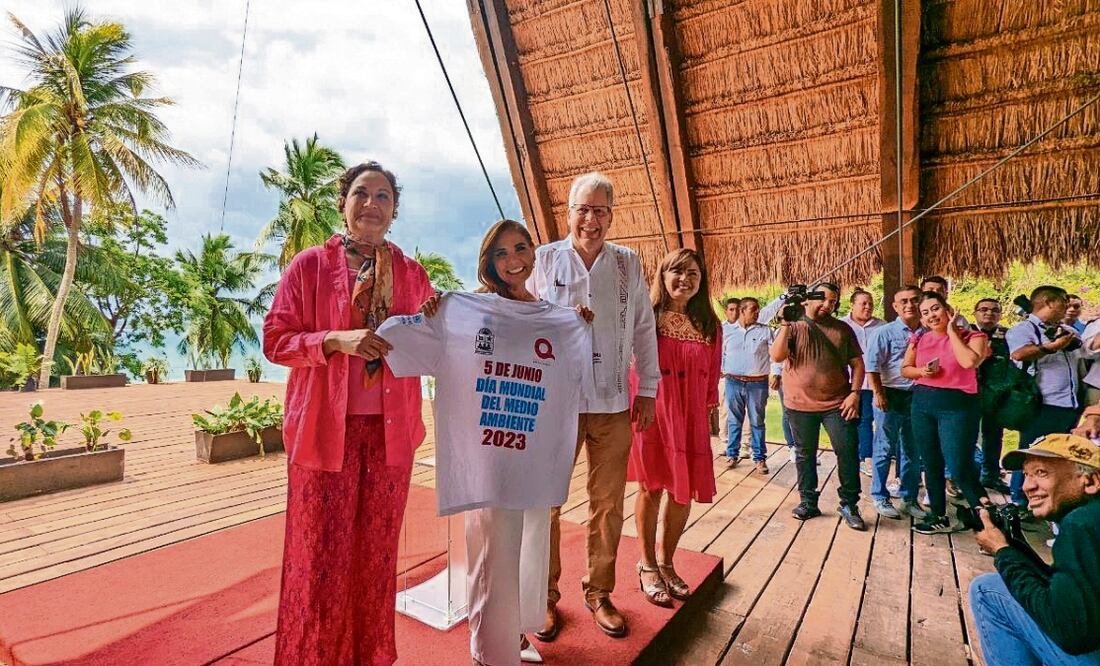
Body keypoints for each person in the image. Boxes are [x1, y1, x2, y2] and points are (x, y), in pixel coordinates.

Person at [263, 162, 435, 665]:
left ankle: (368, 656)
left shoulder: (411, 274)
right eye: (362, 193)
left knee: (375, 556)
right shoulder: (310, 266)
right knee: (318, 557)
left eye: (383, 196)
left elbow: (436, 336)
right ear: (343, 203)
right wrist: (333, 341)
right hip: (323, 431)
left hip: (391, 435)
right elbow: (276, 340)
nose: (371, 204)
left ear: (394, 209)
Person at [407, 220, 593, 666]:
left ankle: (514, 635)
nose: (513, 260)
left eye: (521, 248)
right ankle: (488, 651)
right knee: (493, 547)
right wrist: (432, 314)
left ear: (534, 254)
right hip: (490, 446)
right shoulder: (477, 309)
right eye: (501, 254)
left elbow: (569, 368)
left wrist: (578, 326)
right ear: (489, 263)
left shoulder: (550, 311)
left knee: (528, 542)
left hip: (531, 447)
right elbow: (440, 346)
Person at [528, 172, 659, 641]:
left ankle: (599, 592)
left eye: (601, 210)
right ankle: (542, 598)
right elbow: (521, 316)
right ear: (569, 211)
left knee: (607, 504)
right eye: (583, 209)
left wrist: (647, 389)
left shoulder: (628, 263)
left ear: (612, 215)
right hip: (554, 401)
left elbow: (643, 327)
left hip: (611, 400)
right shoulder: (543, 259)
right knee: (546, 502)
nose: (591, 219)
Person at [628, 249, 721, 607]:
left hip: (692, 417)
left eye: (693, 273)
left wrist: (707, 414)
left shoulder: (710, 325)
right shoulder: (646, 318)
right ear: (663, 277)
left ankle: (667, 562)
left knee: (683, 492)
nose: (685, 279)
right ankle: (647, 564)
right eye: (677, 272)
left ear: (702, 281)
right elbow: (631, 368)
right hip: (654, 414)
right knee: (652, 488)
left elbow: (712, 376)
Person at [970, 433, 1100, 665]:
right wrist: (1012, 547)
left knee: (986, 590)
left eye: (1042, 473)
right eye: (1026, 475)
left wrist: (1002, 552)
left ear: (1090, 482)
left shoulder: (1081, 525)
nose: (1028, 486)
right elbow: (1071, 591)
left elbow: (1070, 633)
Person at [769, 282, 867, 530]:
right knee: (805, 454)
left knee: (847, 451)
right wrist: (784, 324)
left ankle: (849, 503)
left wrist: (855, 393)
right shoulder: (793, 326)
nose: (827, 305)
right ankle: (808, 502)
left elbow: (857, 364)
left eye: (833, 302)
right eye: (822, 299)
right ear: (808, 299)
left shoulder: (842, 329)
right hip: (799, 404)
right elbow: (777, 356)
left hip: (837, 403)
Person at [902, 291, 990, 534]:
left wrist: (952, 331)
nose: (931, 315)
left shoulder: (974, 336)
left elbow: (968, 362)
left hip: (958, 406)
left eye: (935, 308)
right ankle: (938, 515)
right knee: (931, 463)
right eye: (925, 312)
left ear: (948, 309)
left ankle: (989, 521)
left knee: (959, 465)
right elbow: (906, 369)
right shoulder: (920, 339)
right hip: (923, 403)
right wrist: (922, 372)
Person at [1006, 285, 1083, 506]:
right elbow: (1019, 353)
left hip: (1070, 402)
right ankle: (1020, 502)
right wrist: (1051, 347)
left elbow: (1084, 351)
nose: (1067, 307)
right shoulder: (1023, 329)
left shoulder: (1067, 329)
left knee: (1060, 457)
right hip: (1041, 403)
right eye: (1063, 302)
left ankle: (1054, 500)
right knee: (1032, 454)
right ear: (1048, 302)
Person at [865, 286, 927, 519]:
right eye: (904, 301)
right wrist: (878, 394)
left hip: (918, 396)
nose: (909, 305)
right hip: (890, 394)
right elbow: (872, 366)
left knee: (913, 450)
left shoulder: (929, 332)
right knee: (884, 447)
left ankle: (909, 497)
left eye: (914, 300)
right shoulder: (884, 332)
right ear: (895, 306)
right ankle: (880, 496)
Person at [721, 297, 774, 472]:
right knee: (734, 421)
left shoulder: (766, 331)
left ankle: (759, 458)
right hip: (733, 382)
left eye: (758, 309)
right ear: (742, 311)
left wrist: (777, 373)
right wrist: (721, 369)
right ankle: (732, 455)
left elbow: (776, 354)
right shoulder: (726, 331)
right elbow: (720, 353)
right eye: (753, 309)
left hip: (757, 383)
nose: (757, 312)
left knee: (757, 421)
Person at [840, 289, 884, 476]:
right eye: (863, 303)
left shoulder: (882, 326)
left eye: (870, 303)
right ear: (852, 304)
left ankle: (870, 458)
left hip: (874, 383)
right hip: (849, 382)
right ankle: (858, 458)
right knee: (853, 421)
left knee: (873, 422)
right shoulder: (841, 325)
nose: (868, 306)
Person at [971, 298, 1011, 493]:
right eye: (984, 309)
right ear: (975, 313)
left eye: (995, 310)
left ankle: (991, 475)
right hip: (969, 392)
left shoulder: (1006, 335)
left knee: (994, 435)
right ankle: (968, 475)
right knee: (968, 436)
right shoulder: (966, 332)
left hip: (996, 393)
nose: (989, 313)